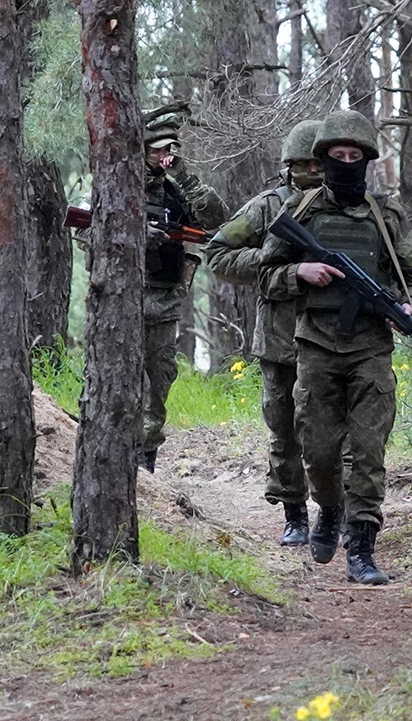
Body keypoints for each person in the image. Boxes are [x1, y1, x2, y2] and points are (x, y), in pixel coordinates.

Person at [258, 109, 412, 584]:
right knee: (318, 450)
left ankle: (362, 548)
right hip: (314, 346)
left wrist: (409, 308)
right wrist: (299, 271)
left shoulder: (387, 215)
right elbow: (265, 275)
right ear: (324, 157)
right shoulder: (301, 211)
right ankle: (329, 508)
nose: (348, 163)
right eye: (339, 155)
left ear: (367, 160)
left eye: (356, 157)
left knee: (369, 451)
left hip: (370, 348)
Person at [204, 120, 323, 546]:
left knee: (335, 429)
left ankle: (340, 514)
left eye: (320, 163)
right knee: (284, 428)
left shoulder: (348, 204)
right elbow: (218, 254)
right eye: (305, 164)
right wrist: (276, 261)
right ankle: (294, 513)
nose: (314, 171)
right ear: (289, 165)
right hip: (280, 336)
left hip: (334, 335)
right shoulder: (268, 207)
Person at [139, 114, 228, 473]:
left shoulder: (177, 192)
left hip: (163, 303)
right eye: (158, 150)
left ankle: (146, 460)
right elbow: (84, 230)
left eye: (171, 150)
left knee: (159, 381)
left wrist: (185, 176)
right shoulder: (115, 186)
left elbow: (216, 219)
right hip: (120, 302)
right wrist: (134, 234)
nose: (165, 156)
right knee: (122, 383)